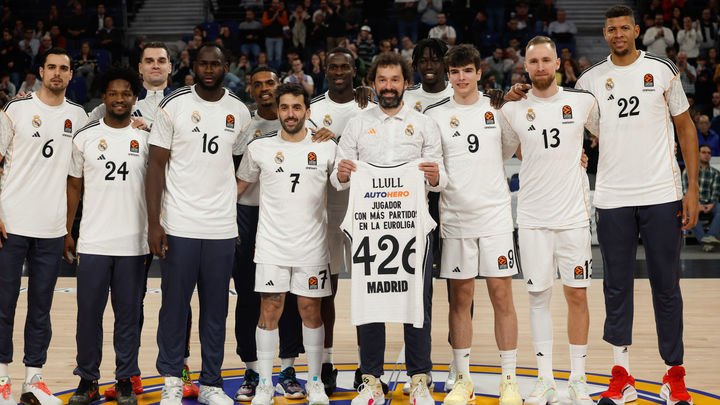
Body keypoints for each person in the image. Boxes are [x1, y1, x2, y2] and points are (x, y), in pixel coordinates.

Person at [575, 6, 698, 405]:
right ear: (605, 34)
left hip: (662, 193)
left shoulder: (662, 69)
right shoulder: (589, 80)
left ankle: (673, 374)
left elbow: (685, 127)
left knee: (667, 286)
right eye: (611, 29)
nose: (618, 33)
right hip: (612, 198)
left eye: (624, 27)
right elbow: (582, 131)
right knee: (615, 287)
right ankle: (620, 374)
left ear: (637, 30)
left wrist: (691, 188)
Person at [87, 41, 201, 401]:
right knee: (129, 301)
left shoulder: (185, 105)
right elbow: (79, 134)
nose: (155, 66)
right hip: (128, 222)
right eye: (149, 61)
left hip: (176, 215)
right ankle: (130, 374)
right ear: (139, 67)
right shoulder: (113, 104)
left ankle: (178, 368)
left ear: (171, 67)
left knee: (177, 299)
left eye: (161, 61)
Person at [331, 51, 445, 405]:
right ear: (373, 83)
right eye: (382, 80)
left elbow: (441, 177)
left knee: (417, 303)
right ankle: (370, 379)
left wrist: (436, 177)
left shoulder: (424, 124)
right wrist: (343, 174)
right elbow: (338, 177)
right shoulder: (357, 124)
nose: (389, 86)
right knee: (370, 302)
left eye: (395, 80)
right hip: (369, 229)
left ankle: (420, 378)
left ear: (406, 83)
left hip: (412, 229)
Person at [145, 43, 252, 405]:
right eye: (203, 64)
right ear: (193, 66)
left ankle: (210, 383)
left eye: (215, 64)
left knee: (215, 308)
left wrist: (225, 196)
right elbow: (156, 166)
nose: (209, 69)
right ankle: (173, 379)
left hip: (221, 227)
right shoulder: (173, 105)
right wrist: (154, 224)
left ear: (226, 66)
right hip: (178, 222)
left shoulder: (239, 111)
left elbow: (243, 166)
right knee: (174, 306)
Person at [501, 36, 599, 405]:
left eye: (546, 60)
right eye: (533, 61)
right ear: (524, 66)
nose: (540, 67)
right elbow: (502, 149)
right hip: (532, 219)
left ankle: (578, 379)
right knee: (538, 297)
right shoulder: (512, 109)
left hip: (573, 217)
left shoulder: (583, 101)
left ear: (558, 63)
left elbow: (613, 136)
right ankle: (544, 380)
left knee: (577, 295)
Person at [423, 44, 522, 405]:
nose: (461, 77)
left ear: (480, 73)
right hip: (456, 218)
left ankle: (508, 379)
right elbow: (433, 173)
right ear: (448, 76)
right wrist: (435, 179)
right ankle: (462, 378)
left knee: (501, 296)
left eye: (467, 70)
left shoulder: (498, 110)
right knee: (460, 299)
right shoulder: (434, 115)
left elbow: (516, 150)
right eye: (454, 72)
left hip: (495, 216)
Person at [237, 82, 336, 405]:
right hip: (271, 246)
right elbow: (236, 190)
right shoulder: (259, 149)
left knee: (311, 311)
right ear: (277, 110)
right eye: (284, 108)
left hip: (312, 245)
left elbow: (345, 180)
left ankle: (316, 382)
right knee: (270, 309)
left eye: (296, 108)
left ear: (308, 112)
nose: (290, 114)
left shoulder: (326, 147)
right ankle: (265, 383)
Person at [0, 47, 88, 405]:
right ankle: (2, 378)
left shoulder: (80, 117)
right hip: (11, 223)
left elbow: (74, 180)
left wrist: (68, 228)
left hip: (51, 228)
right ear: (40, 71)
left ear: (70, 75)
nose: (57, 73)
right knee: (4, 305)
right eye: (51, 67)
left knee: (41, 307)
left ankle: (33, 379)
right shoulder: (16, 109)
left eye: (63, 69)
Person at [65, 67, 147, 405]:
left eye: (125, 93)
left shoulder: (146, 138)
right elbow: (73, 186)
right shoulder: (84, 136)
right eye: (113, 93)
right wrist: (67, 231)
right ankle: (88, 379)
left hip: (134, 243)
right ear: (104, 97)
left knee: (129, 317)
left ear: (134, 98)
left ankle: (126, 379)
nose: (119, 98)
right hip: (94, 242)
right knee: (88, 317)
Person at [307, 47, 372, 396]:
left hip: (365, 210)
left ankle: (366, 365)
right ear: (324, 68)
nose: (338, 71)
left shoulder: (369, 105)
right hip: (326, 209)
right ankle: (328, 363)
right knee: (325, 289)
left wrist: (338, 142)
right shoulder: (314, 109)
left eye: (345, 66)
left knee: (364, 286)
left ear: (354, 69)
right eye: (332, 66)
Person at [683, 144, 720, 251]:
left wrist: (711, 204)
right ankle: (706, 240)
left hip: (710, 202)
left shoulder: (715, 173)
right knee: (690, 213)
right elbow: (686, 191)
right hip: (695, 202)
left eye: (709, 153)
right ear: (698, 154)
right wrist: (697, 204)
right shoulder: (689, 171)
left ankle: (708, 238)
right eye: (704, 152)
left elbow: (716, 191)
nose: (706, 155)